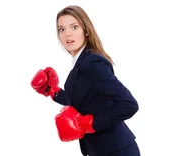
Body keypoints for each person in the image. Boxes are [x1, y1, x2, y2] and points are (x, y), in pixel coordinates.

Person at [30, 5, 140, 156]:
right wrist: (53, 92)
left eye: (74, 27)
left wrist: (89, 123)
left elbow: (129, 105)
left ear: (86, 30)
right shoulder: (82, 63)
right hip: (101, 150)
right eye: (62, 29)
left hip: (116, 149)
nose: (67, 34)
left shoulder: (92, 63)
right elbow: (83, 102)